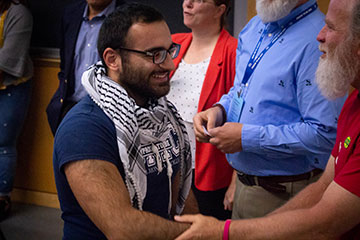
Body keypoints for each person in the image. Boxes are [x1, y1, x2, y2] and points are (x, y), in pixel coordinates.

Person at [175, 0, 360, 238]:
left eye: (331, 27)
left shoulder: (312, 40)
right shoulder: (254, 27)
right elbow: (240, 89)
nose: (321, 35)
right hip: (245, 185)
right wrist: (219, 109)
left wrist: (246, 138)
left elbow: (324, 133)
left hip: (283, 189)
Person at [53, 3, 199, 239]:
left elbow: (179, 194)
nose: (170, 64)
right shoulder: (84, 129)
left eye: (169, 50)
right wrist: (201, 234)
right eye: (154, 54)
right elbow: (122, 229)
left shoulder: (163, 115)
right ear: (113, 59)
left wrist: (197, 228)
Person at [167, 0, 237, 220]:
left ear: (220, 9)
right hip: (167, 166)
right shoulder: (173, 43)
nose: (187, 4)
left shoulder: (233, 50)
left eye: (198, 0)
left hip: (206, 171)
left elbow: (245, 116)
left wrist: (237, 181)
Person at [46, 0, 125, 135]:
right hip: (70, 108)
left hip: (107, 112)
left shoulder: (128, 18)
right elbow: (66, 64)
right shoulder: (71, 14)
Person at [0, 0, 32, 220]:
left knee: (3, 142)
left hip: (12, 86)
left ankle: (2, 198)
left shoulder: (19, 14)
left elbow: (3, 66)